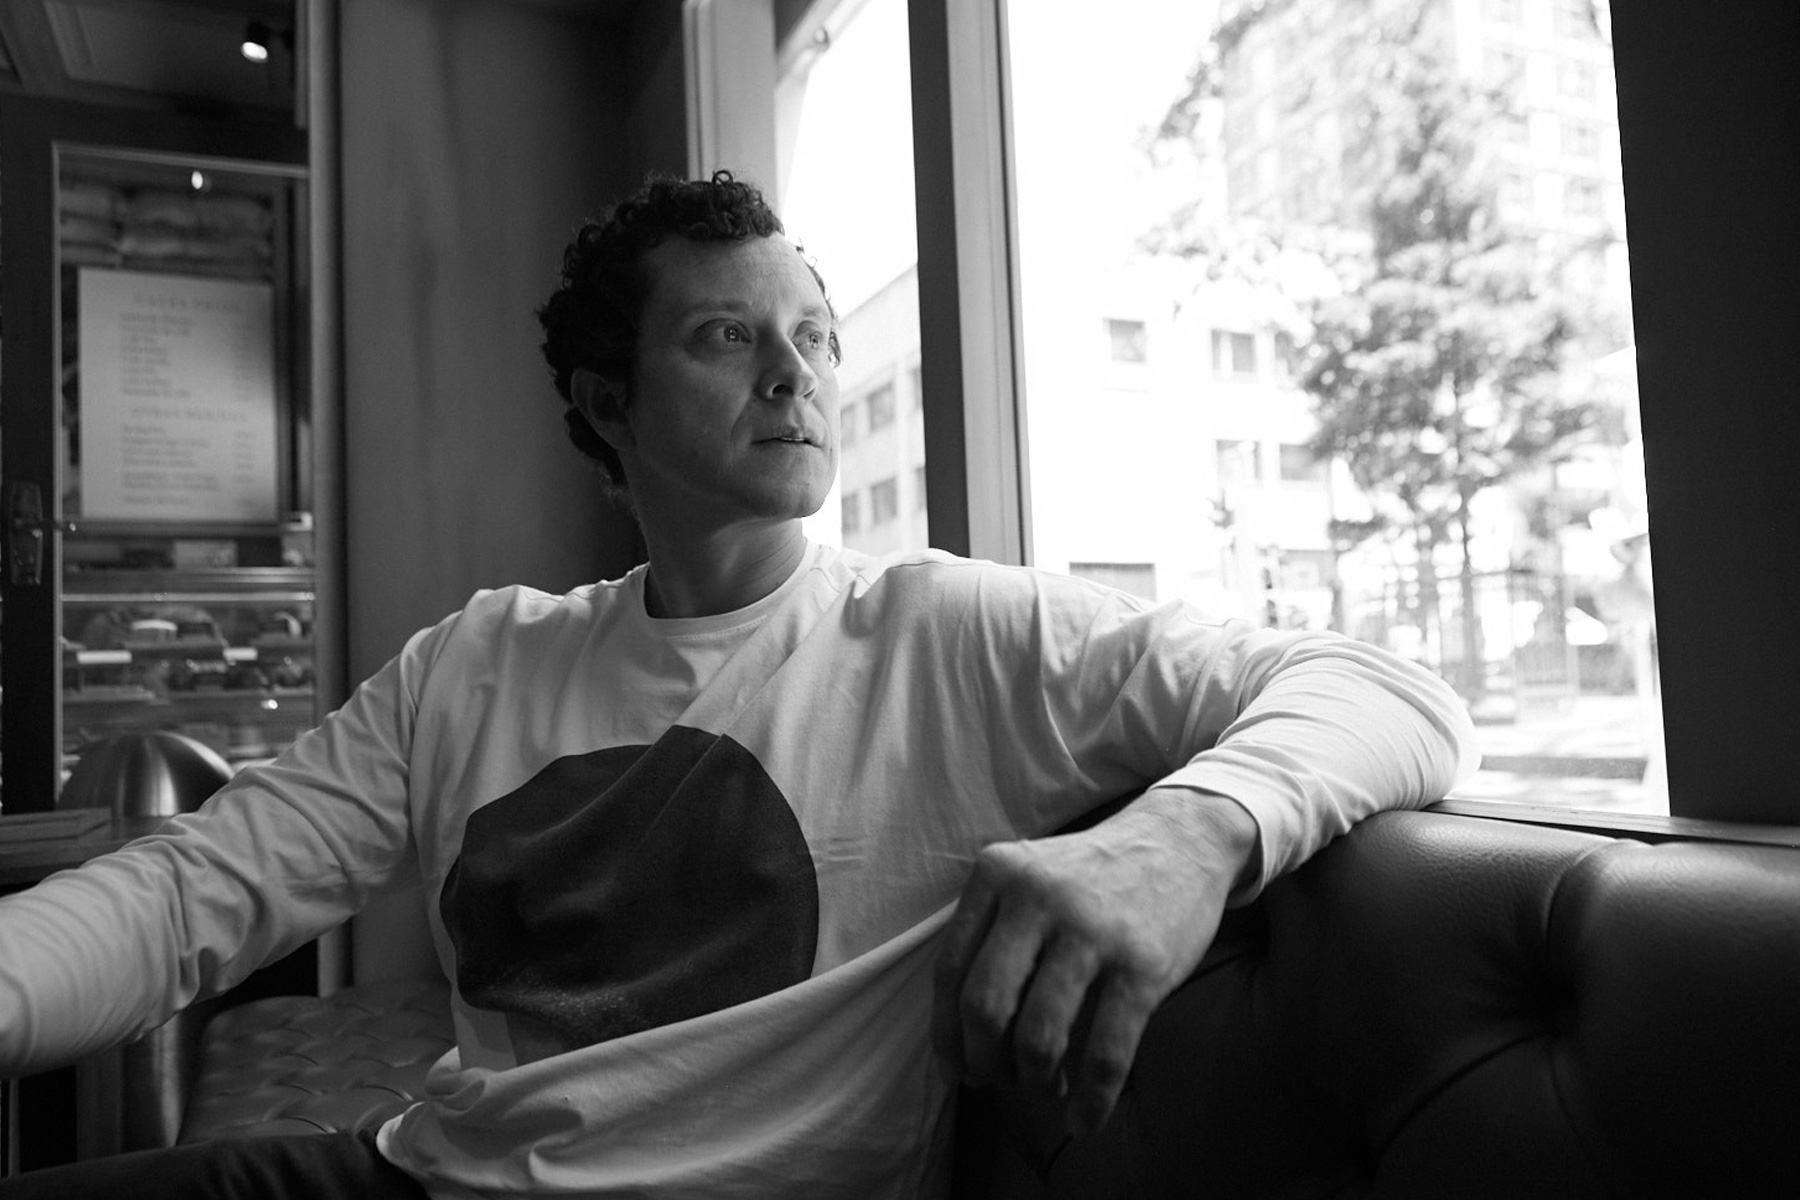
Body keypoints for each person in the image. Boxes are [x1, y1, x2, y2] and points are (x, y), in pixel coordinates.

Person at [0, 171, 1478, 1199]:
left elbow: (1391, 693)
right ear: (609, 404)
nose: (798, 374)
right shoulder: (480, 659)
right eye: (728, 336)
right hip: (420, 1173)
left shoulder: (944, 636)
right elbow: (190, 891)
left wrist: (1185, 837)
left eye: (815, 337)